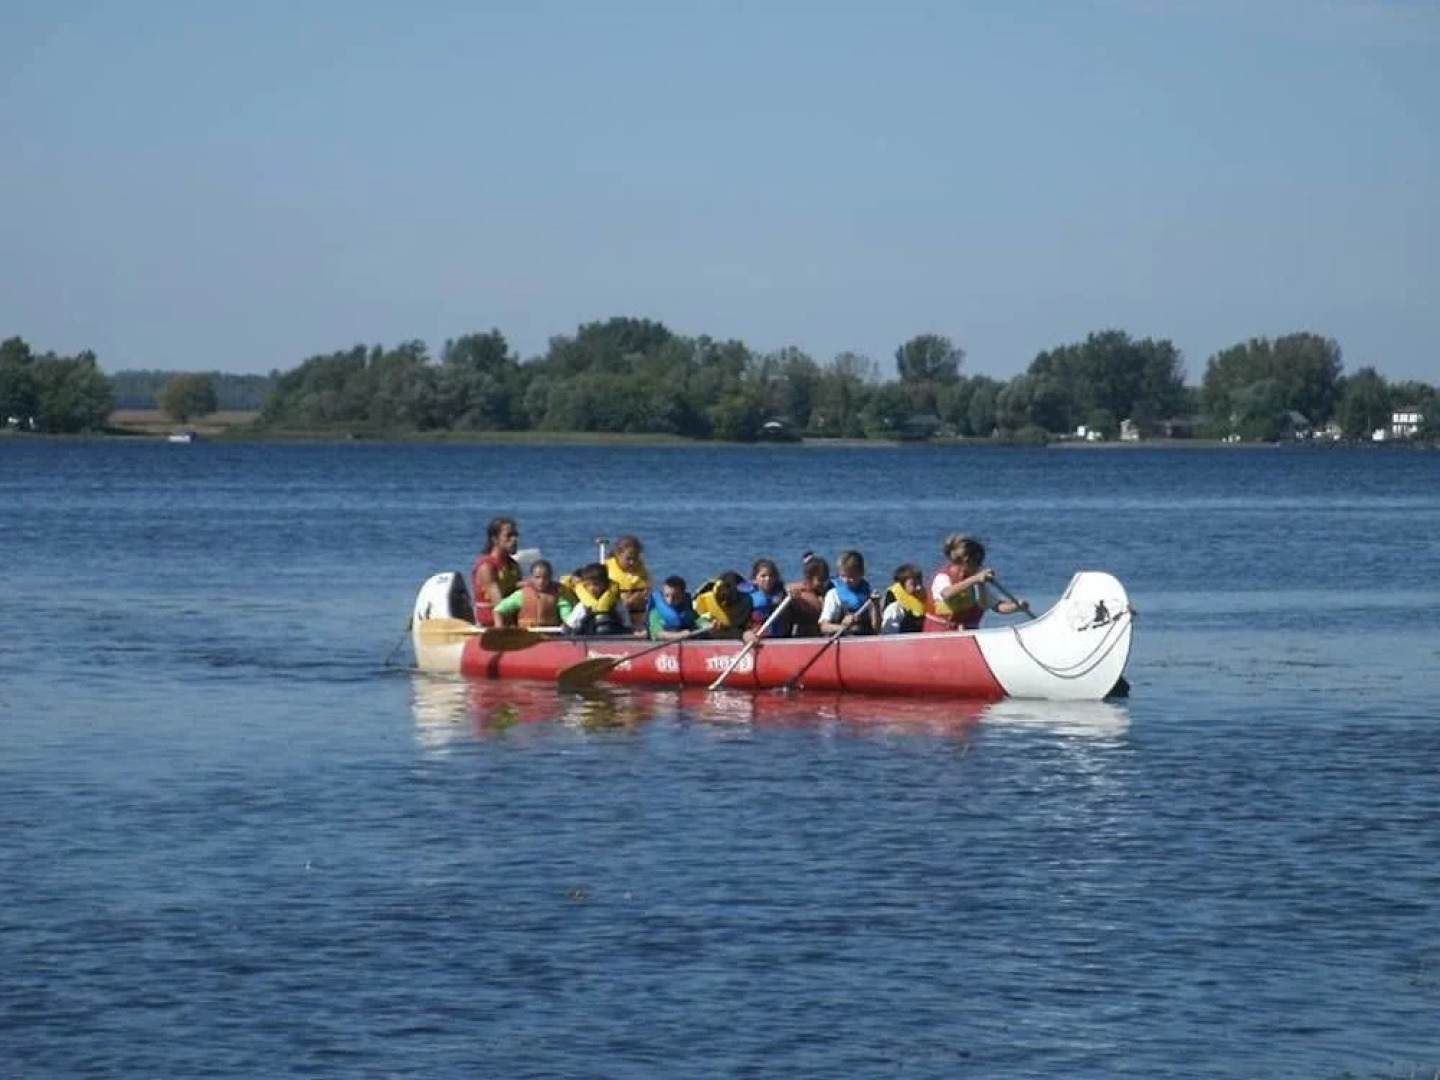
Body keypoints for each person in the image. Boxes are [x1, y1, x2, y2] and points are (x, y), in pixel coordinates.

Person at [926, 535, 1029, 631]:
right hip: (940, 635)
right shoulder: (943, 577)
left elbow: (997, 606)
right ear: (966, 560)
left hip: (968, 635)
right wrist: (975, 579)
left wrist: (1016, 607)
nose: (980, 566)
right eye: (978, 562)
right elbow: (946, 593)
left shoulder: (977, 582)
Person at [471, 516, 521, 626]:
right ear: (495, 539)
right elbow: (500, 605)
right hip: (491, 625)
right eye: (509, 536)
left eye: (516, 535)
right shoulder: (486, 567)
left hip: (514, 622)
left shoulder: (513, 565)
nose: (514, 539)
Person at [819, 550, 881, 636]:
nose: (846, 581)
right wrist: (844, 626)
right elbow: (824, 627)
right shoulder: (833, 595)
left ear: (862, 573)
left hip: (864, 637)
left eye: (851, 577)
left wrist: (876, 606)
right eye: (843, 576)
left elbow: (876, 629)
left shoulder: (868, 594)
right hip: (841, 638)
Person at [562, 562, 634, 636]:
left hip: (614, 641)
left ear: (605, 584)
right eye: (588, 585)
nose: (592, 588)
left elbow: (627, 625)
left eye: (596, 584)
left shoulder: (617, 604)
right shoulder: (583, 607)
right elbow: (569, 627)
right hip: (589, 642)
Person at [492, 559, 564, 629]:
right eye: (537, 577)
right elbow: (499, 611)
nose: (541, 581)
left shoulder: (559, 595)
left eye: (545, 578)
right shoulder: (521, 595)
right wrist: (499, 628)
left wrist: (565, 625)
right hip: (526, 635)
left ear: (550, 577)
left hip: (551, 635)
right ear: (531, 577)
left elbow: (567, 617)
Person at [693, 571, 756, 640]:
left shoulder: (747, 600)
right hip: (711, 632)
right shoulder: (703, 600)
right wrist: (706, 625)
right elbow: (697, 622)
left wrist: (746, 632)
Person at [604, 534, 651, 619]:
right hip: (616, 619)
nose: (632, 562)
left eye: (635, 558)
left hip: (640, 617)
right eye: (628, 559)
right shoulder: (605, 571)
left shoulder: (643, 571)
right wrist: (629, 601)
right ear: (617, 554)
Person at [786, 553, 831, 638]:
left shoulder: (831, 592)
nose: (824, 583)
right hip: (804, 636)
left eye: (826, 579)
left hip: (823, 636)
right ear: (808, 579)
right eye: (821, 579)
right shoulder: (799, 593)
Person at [745, 558, 793, 638]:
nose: (768, 579)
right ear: (755, 579)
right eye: (763, 576)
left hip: (779, 637)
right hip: (758, 636)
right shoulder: (749, 598)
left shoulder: (782, 594)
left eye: (771, 576)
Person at [647, 575, 701, 641]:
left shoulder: (688, 612)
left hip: (686, 642)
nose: (670, 600)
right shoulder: (656, 613)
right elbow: (659, 634)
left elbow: (701, 622)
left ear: (683, 596)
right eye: (666, 596)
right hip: (661, 645)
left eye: (675, 597)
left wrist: (711, 628)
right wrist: (679, 635)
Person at [880, 563, 927, 634]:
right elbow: (888, 636)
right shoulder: (894, 609)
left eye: (920, 582)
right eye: (913, 584)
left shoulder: (926, 601)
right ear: (902, 585)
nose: (919, 587)